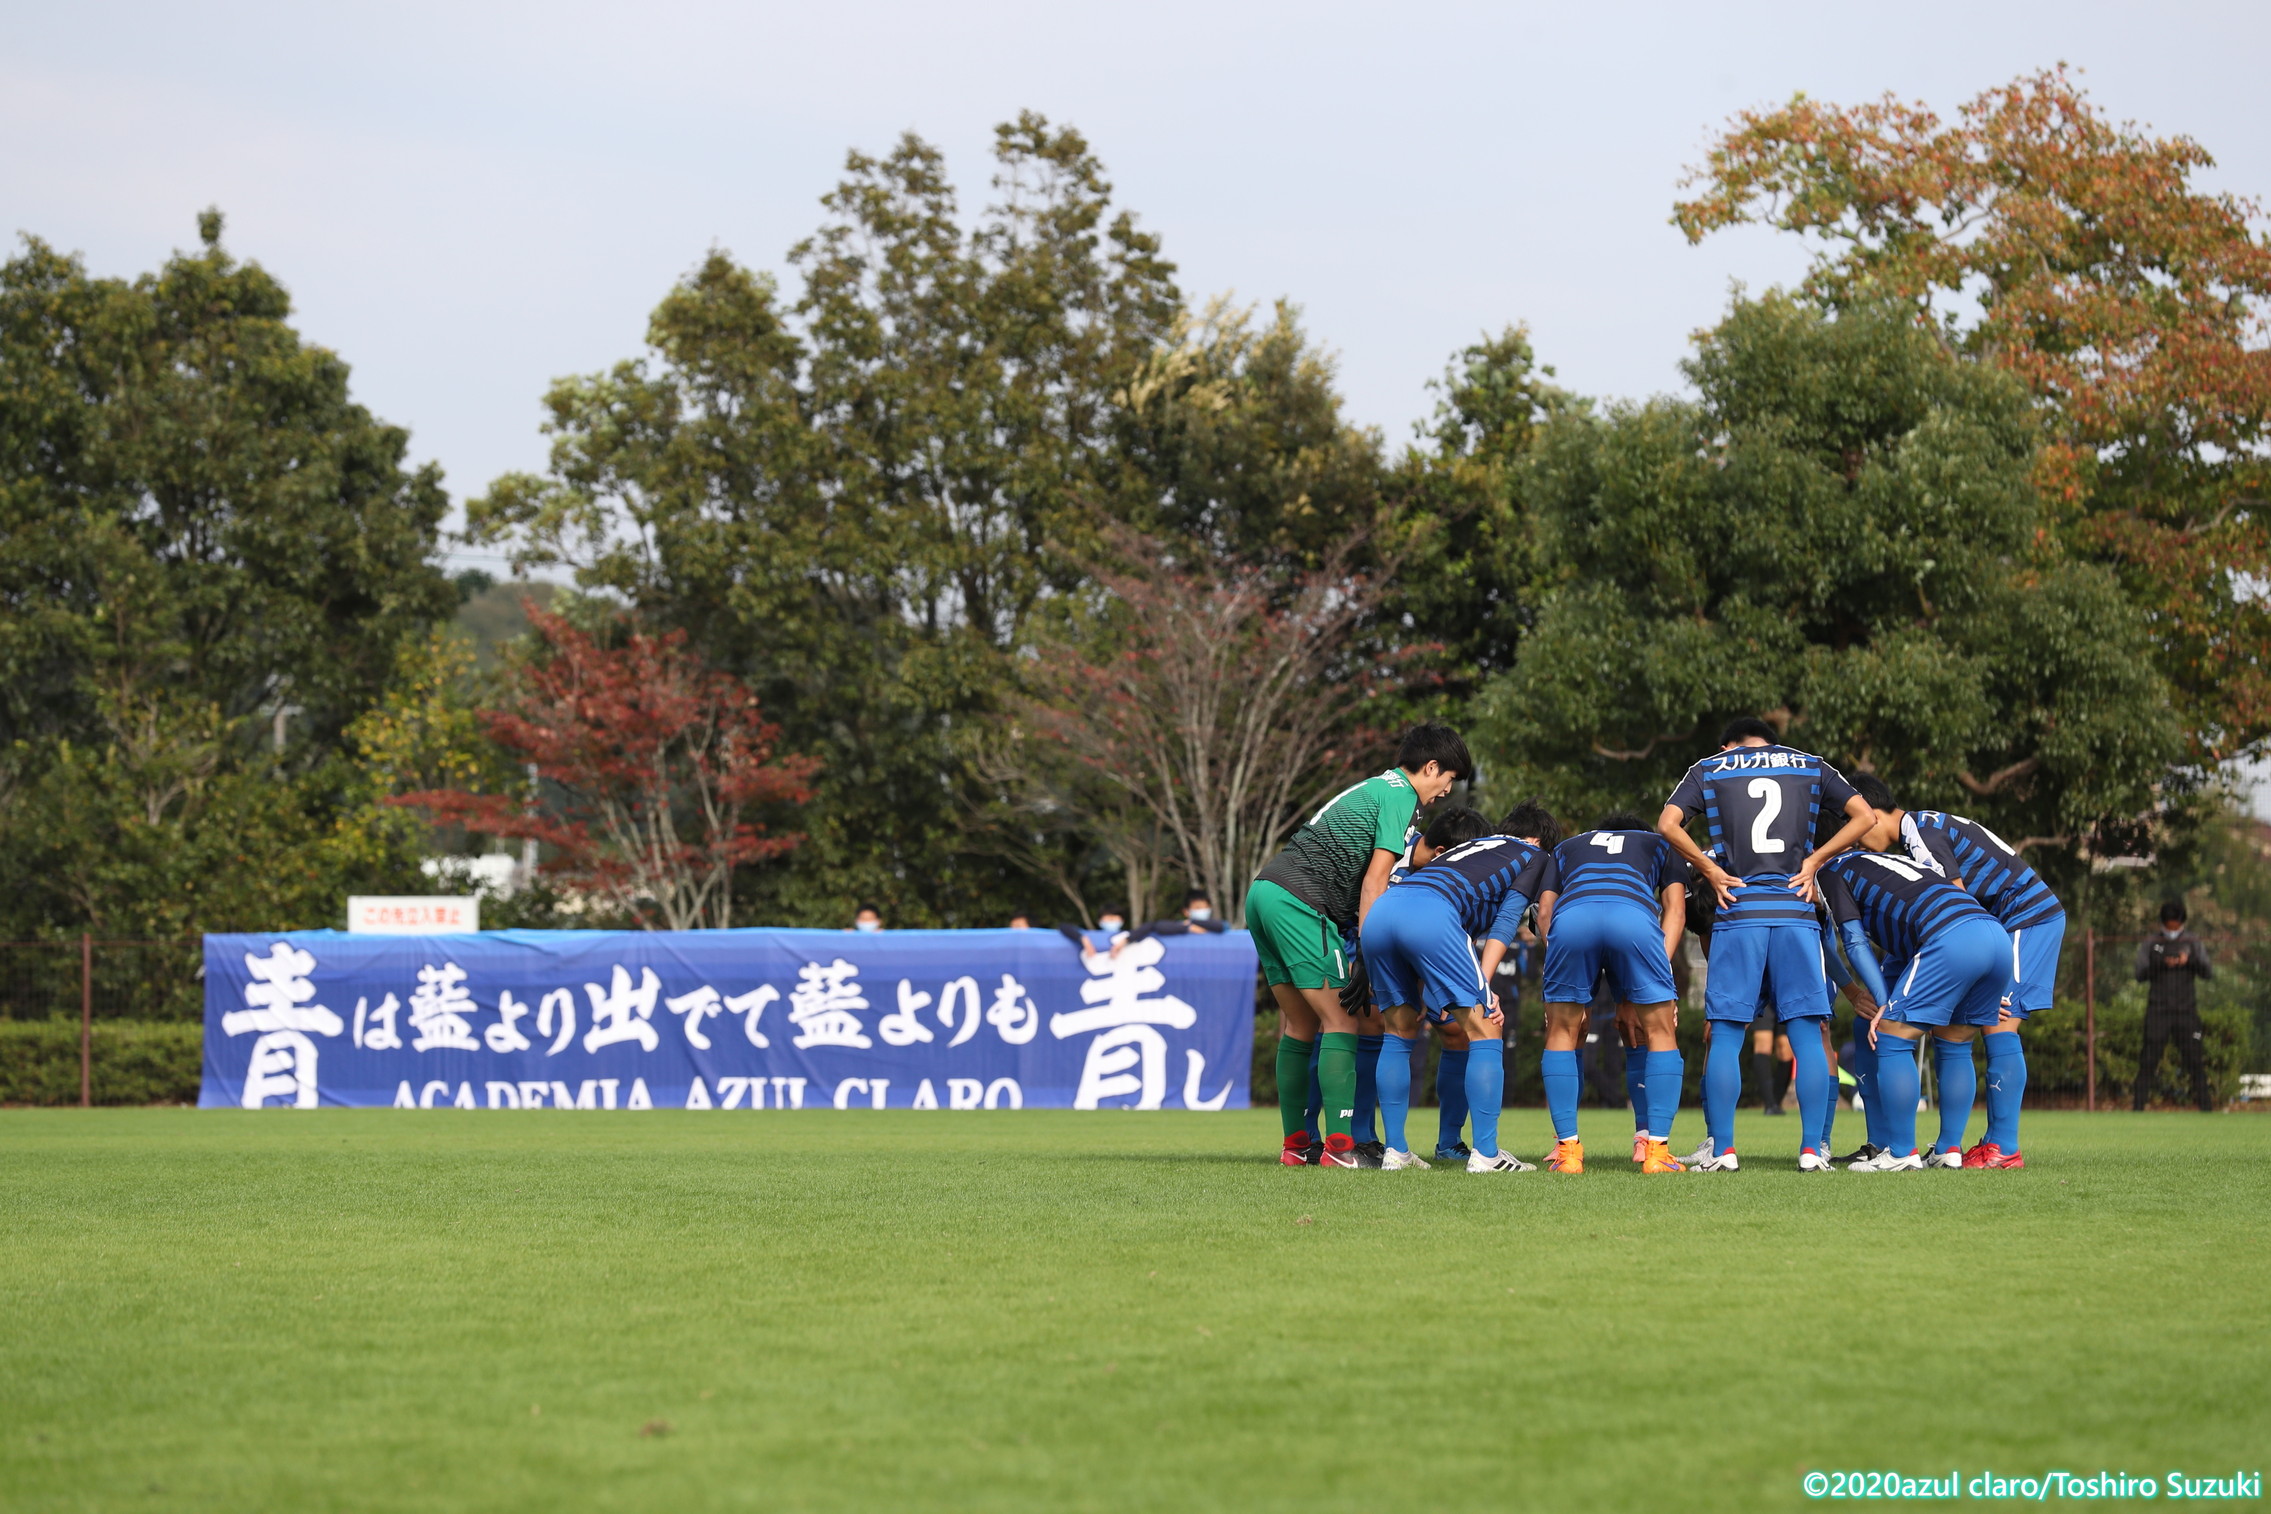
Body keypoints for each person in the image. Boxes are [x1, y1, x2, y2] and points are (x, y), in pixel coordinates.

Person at [1247, 723, 1471, 1167]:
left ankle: (1296, 1147)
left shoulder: (1375, 786)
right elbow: (1374, 884)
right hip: (1301, 903)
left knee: (1300, 1026)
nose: (1447, 790)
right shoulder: (1401, 797)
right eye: (1448, 778)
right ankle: (1340, 1149)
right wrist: (1370, 954)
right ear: (1430, 767)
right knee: (1342, 1023)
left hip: (1264, 893)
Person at [1658, 717, 1874, 1171]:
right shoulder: (1810, 764)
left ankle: (1724, 1151)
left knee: (1726, 1037)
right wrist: (1815, 860)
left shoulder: (1711, 767)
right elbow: (1866, 817)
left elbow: (1668, 823)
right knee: (1808, 1038)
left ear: (1727, 744)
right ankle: (1814, 1150)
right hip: (1796, 914)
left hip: (1739, 914)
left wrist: (1710, 869)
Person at [1866, 774, 2061, 1167]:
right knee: (1956, 1029)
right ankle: (1963, 1146)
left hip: (2027, 918)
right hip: (2000, 924)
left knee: (1999, 1022)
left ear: (1871, 815)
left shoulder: (1920, 836)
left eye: (1853, 827)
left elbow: (1955, 906)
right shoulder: (1919, 830)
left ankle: (2005, 1147)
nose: (1853, 840)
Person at [1359, 801, 1555, 1172]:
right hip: (1431, 913)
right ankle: (1486, 1154)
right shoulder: (1534, 855)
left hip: (1383, 911)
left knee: (1398, 1033)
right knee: (1486, 1027)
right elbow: (1506, 921)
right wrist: (1485, 985)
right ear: (1536, 839)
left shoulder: (1470, 847)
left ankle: (1395, 1153)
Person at [1818, 834, 2018, 1173]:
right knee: (1956, 1043)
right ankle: (1948, 1149)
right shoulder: (1893, 861)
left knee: (1891, 1036)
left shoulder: (1830, 870)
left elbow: (1852, 941)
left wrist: (1883, 1004)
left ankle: (1899, 1152)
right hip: (1993, 934)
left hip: (1951, 935)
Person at [1533, 809, 1691, 1174]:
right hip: (1632, 916)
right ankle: (1655, 1151)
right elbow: (1676, 911)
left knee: (1561, 1031)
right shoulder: (1661, 843)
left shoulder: (1569, 846)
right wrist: (1658, 974)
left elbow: (1544, 912)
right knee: (1658, 1030)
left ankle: (1568, 1152)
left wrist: (1559, 968)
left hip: (1572, 919)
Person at [2135, 898, 2216, 1113]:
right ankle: (2137, 1108)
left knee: (2195, 1061)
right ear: (2162, 923)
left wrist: (2188, 961)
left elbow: (2207, 972)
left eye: (2176, 926)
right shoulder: (2151, 943)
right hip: (2158, 1011)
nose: (2172, 931)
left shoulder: (2192, 942)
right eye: (2168, 926)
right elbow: (2140, 974)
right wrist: (2161, 963)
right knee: (2148, 1060)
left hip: (2186, 1012)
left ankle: (2206, 1109)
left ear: (2182, 923)